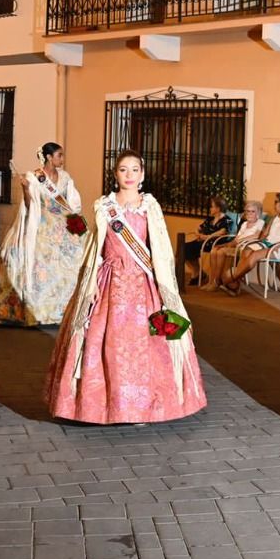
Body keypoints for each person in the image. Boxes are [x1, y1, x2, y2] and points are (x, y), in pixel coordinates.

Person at [44, 149, 206, 424]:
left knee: (146, 345)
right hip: (110, 281)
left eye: (134, 170)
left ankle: (143, 407)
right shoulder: (104, 206)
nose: (129, 175)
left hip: (144, 284)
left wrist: (164, 285)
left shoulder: (149, 206)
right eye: (123, 169)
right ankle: (103, 406)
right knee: (106, 343)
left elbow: (161, 248)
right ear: (115, 174)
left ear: (142, 175)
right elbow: (96, 246)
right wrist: (92, 282)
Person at [0, 142, 86, 328]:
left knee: (73, 258)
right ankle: (38, 311)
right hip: (40, 224)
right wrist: (26, 189)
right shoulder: (34, 177)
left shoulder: (65, 177)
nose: (62, 159)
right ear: (49, 157)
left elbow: (72, 204)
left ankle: (63, 309)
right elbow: (29, 205)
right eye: (59, 155)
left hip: (61, 225)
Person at [220, 192, 280, 295]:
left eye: (276, 202)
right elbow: (265, 234)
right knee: (247, 251)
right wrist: (261, 240)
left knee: (254, 255)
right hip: (268, 244)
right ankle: (235, 282)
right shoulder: (275, 218)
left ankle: (230, 278)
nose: (274, 204)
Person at [202, 200, 265, 289]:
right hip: (238, 246)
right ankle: (211, 281)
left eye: (253, 211)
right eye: (247, 211)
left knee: (220, 252)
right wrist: (225, 245)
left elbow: (256, 235)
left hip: (246, 249)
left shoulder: (260, 222)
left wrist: (241, 240)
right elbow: (235, 240)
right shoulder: (244, 224)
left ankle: (216, 282)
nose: (249, 214)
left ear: (258, 213)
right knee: (214, 250)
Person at [182, 196, 235, 287]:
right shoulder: (210, 219)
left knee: (189, 249)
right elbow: (198, 228)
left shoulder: (227, 220)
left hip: (215, 244)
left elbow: (221, 233)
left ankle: (198, 275)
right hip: (203, 242)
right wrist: (198, 233)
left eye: (212, 206)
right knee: (183, 248)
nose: (210, 208)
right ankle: (198, 271)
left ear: (218, 208)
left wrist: (205, 237)